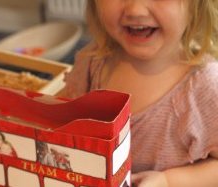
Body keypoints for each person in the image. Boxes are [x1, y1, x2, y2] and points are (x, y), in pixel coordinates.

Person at [58, 0, 218, 186]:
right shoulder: (92, 61)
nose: (135, 9)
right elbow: (65, 119)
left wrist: (168, 181)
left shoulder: (206, 88)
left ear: (197, 5)